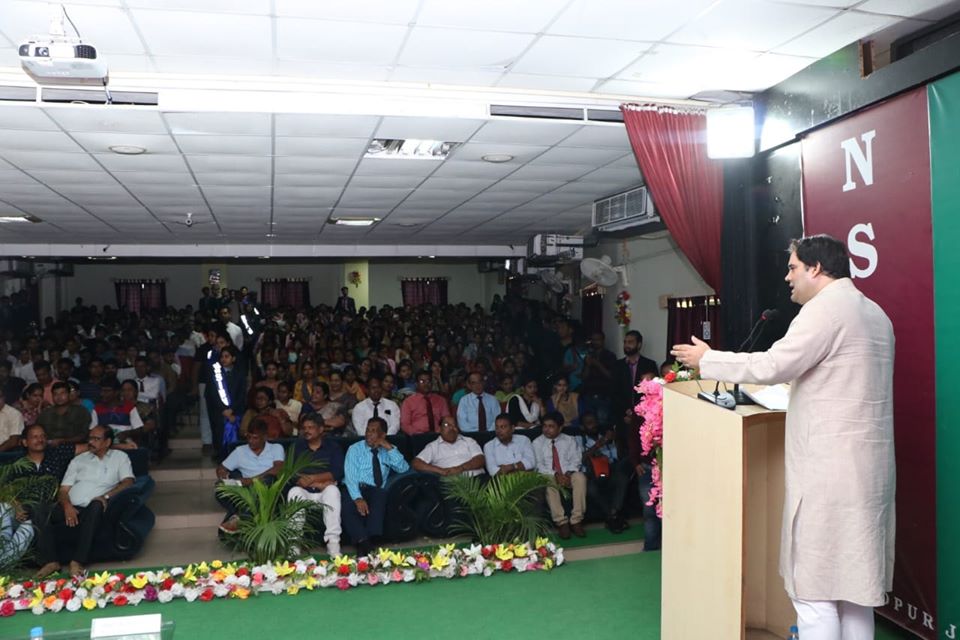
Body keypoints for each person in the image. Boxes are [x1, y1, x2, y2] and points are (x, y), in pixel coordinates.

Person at [671, 234, 895, 640]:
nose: (787, 276)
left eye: (793, 267)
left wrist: (709, 360)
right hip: (868, 471)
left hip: (829, 472)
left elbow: (776, 364)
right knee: (854, 593)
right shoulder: (875, 313)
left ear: (815, 269)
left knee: (815, 593)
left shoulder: (824, 311)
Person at [34, 425, 135, 577]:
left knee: (96, 505)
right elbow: (63, 490)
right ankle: (51, 561)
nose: (91, 442)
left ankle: (77, 561)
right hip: (71, 507)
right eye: (90, 438)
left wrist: (105, 496)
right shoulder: (78, 460)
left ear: (107, 442)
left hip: (95, 507)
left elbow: (128, 482)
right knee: (40, 509)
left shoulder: (120, 458)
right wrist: (67, 506)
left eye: (96, 439)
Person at [341, 417, 409, 556]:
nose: (369, 434)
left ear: (383, 434)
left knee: (380, 495)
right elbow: (350, 476)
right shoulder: (355, 449)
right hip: (355, 486)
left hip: (375, 490)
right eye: (367, 430)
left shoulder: (388, 450)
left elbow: (404, 468)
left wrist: (388, 447)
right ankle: (364, 542)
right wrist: (358, 498)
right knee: (348, 503)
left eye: (373, 431)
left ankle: (369, 541)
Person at [286, 413, 344, 557]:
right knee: (294, 492)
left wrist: (314, 479)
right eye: (304, 428)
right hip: (304, 490)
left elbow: (337, 472)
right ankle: (294, 545)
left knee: (333, 490)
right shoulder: (297, 447)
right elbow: (290, 472)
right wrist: (315, 482)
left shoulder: (333, 447)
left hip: (325, 492)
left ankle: (333, 545)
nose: (307, 431)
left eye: (311, 427)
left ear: (321, 429)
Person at [215, 419, 285, 534]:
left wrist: (252, 481)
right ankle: (239, 515)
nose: (251, 441)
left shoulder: (276, 448)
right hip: (245, 490)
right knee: (219, 487)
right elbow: (221, 468)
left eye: (255, 438)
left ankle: (238, 517)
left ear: (265, 437)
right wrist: (223, 475)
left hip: (266, 488)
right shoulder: (240, 451)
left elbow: (277, 469)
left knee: (269, 480)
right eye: (249, 437)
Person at [533, 411, 587, 539]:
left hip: (568, 473)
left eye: (551, 426)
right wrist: (556, 474)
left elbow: (576, 460)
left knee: (580, 477)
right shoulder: (537, 443)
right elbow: (538, 465)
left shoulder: (569, 440)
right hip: (549, 474)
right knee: (548, 480)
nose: (546, 429)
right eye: (545, 426)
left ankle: (576, 520)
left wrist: (568, 474)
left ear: (560, 427)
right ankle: (561, 522)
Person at [579, 412, 632, 534]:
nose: (593, 425)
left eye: (594, 422)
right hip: (592, 473)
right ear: (582, 426)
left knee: (622, 478)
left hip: (610, 469)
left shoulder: (606, 436)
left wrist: (616, 440)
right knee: (591, 489)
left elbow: (617, 457)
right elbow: (580, 459)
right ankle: (613, 516)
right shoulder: (579, 439)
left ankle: (613, 514)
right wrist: (598, 445)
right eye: (589, 423)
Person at [412, 416, 485, 477]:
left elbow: (480, 460)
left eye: (454, 425)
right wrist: (441, 471)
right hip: (452, 484)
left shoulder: (469, 441)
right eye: (447, 425)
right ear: (440, 429)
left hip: (477, 478)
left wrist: (460, 468)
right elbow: (417, 463)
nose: (451, 428)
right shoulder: (433, 446)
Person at [38, 381, 93, 446]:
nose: (59, 397)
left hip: (75, 448)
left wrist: (64, 441)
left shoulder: (81, 412)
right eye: (55, 394)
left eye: (62, 393)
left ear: (69, 395)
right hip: (49, 448)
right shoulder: (45, 414)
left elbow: (84, 435)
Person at [400, 370, 450, 435]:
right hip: (417, 437)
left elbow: (447, 420)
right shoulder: (408, 402)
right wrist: (416, 434)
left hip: (438, 435)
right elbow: (405, 424)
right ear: (416, 384)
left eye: (428, 381)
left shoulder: (441, 400)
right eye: (422, 381)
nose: (426, 384)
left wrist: (442, 429)